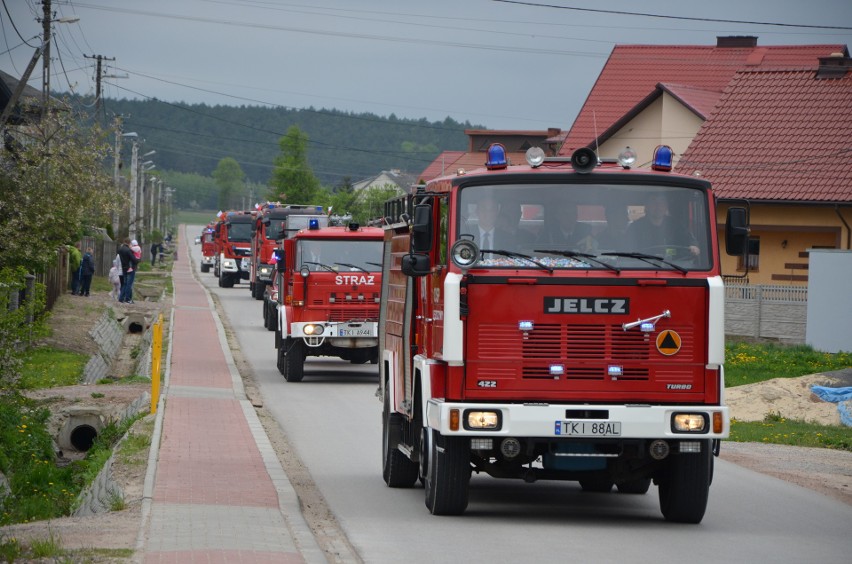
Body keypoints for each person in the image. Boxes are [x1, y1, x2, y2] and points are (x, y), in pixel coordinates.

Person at [626, 193, 699, 256]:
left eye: (662, 201)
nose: (658, 206)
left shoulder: (676, 225)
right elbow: (627, 251)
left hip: (674, 267)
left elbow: (691, 241)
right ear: (646, 206)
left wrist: (693, 246)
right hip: (642, 268)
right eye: (653, 201)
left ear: (666, 206)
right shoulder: (635, 228)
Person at [118, 238, 139, 304]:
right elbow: (134, 260)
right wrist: (138, 260)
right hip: (130, 269)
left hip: (123, 268)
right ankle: (128, 299)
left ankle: (121, 298)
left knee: (124, 283)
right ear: (129, 243)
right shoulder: (128, 250)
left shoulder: (120, 249)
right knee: (129, 284)